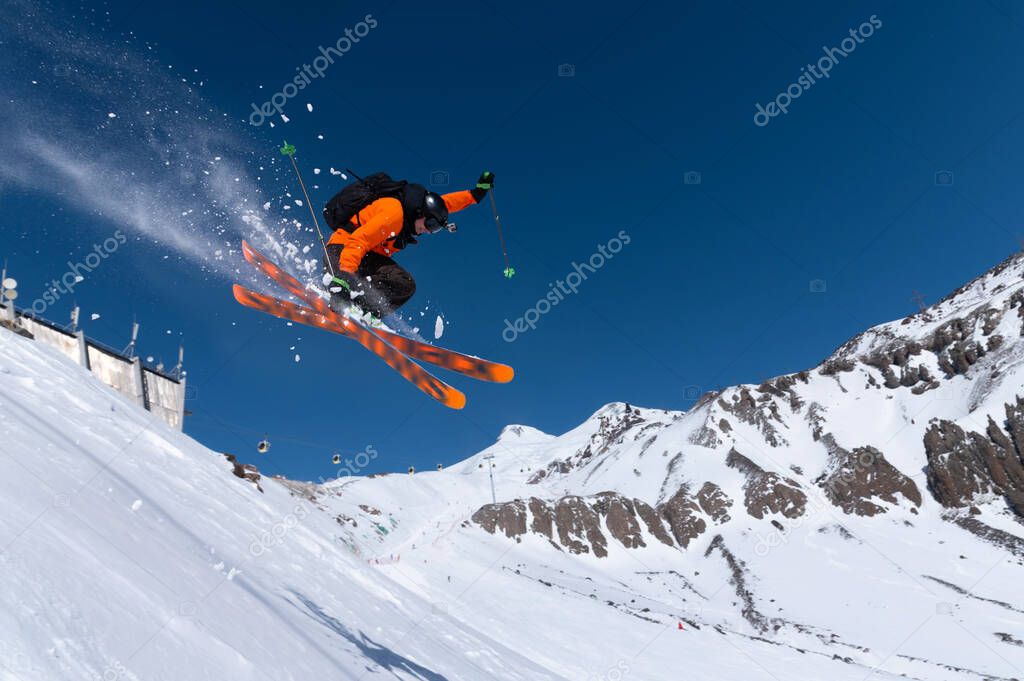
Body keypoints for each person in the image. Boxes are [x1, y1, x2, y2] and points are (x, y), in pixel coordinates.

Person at [323, 171, 495, 319]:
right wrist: (343, 277)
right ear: (420, 213)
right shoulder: (394, 214)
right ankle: (342, 290)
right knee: (354, 267)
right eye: (430, 225)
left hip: (366, 259)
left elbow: (445, 204)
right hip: (342, 253)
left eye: (435, 229)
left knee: (404, 284)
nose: (429, 231)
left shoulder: (416, 211)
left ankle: (363, 310)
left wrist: (475, 195)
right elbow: (358, 241)